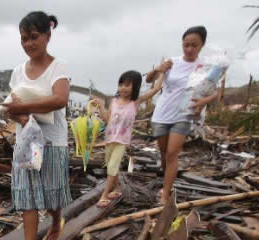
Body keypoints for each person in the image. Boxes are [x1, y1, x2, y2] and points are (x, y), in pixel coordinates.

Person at [0, 11, 72, 240]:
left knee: (51, 194)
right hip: (28, 142)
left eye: (33, 37)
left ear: (47, 35)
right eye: (23, 39)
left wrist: (22, 109)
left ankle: (55, 219)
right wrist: (21, 118)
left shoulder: (57, 67)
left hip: (51, 141)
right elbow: (12, 107)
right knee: (27, 193)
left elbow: (60, 99)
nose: (28, 44)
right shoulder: (18, 71)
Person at [145, 26, 221, 205]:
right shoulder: (173, 62)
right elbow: (149, 80)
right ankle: (166, 181)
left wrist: (204, 102)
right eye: (186, 45)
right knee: (164, 154)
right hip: (162, 113)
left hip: (184, 115)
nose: (189, 49)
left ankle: (166, 193)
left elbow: (214, 92)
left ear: (202, 45)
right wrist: (157, 69)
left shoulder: (205, 68)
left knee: (172, 153)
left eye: (194, 45)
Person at [90, 70, 165, 207]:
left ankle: (105, 194)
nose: (123, 88)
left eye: (127, 85)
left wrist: (161, 73)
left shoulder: (135, 102)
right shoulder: (114, 102)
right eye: (121, 84)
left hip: (121, 141)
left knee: (112, 167)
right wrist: (100, 106)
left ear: (135, 87)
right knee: (112, 167)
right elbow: (107, 119)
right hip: (109, 138)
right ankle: (117, 189)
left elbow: (155, 89)